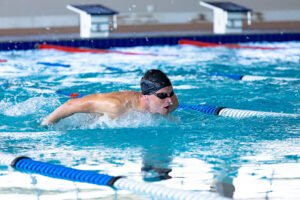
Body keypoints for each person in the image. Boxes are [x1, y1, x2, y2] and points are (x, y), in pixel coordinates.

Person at [41, 69, 179, 125]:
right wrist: (45, 125)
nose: (169, 99)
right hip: (87, 118)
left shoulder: (172, 103)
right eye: (162, 96)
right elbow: (70, 105)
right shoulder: (116, 105)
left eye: (171, 93)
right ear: (146, 96)